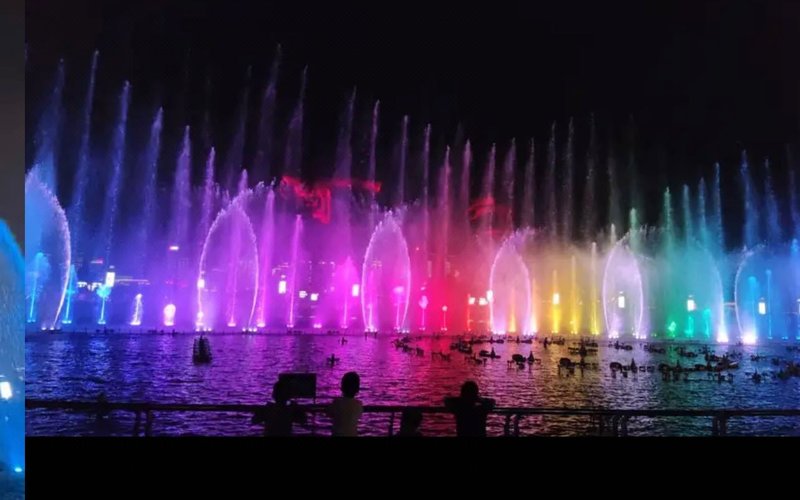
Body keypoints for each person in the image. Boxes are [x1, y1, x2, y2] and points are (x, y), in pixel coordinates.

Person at [327, 372, 363, 436]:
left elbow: (329, 413)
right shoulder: (359, 404)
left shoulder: (337, 402)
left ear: (342, 387)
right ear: (357, 389)